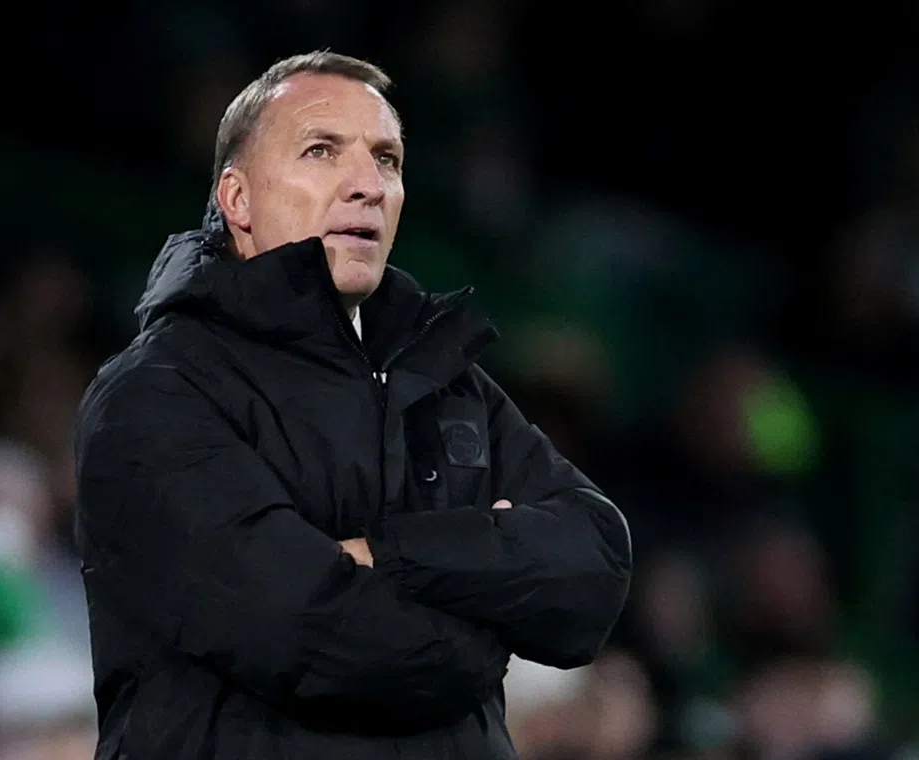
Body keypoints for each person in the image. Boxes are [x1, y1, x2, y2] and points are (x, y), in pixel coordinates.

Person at [73, 50, 632, 760]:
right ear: (236, 200)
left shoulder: (445, 380)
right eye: (320, 151)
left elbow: (594, 568)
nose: (367, 185)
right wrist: (492, 619)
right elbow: (305, 629)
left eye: (388, 160)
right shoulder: (155, 393)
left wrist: (385, 555)